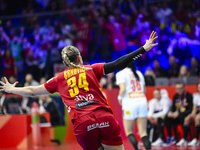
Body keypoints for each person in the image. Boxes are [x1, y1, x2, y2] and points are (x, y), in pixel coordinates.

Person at [0, 31, 158, 150]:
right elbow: (118, 63)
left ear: (64, 63)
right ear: (79, 58)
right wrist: (143, 49)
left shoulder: (59, 79)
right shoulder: (91, 69)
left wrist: (11, 89)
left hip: (83, 124)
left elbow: (33, 91)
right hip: (104, 117)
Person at [116, 61, 150, 150]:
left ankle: (137, 148)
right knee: (143, 132)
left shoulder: (121, 74)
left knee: (129, 132)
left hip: (130, 103)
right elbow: (144, 91)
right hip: (142, 101)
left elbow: (122, 90)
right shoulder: (138, 73)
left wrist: (119, 98)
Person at [164, 82, 193, 146]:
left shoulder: (189, 95)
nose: (179, 90)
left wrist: (179, 113)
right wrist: (171, 112)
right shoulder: (175, 96)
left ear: (184, 88)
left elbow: (190, 109)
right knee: (167, 117)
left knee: (182, 116)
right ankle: (170, 137)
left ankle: (185, 138)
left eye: (180, 88)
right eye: (177, 88)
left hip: (185, 115)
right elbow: (173, 108)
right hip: (176, 115)